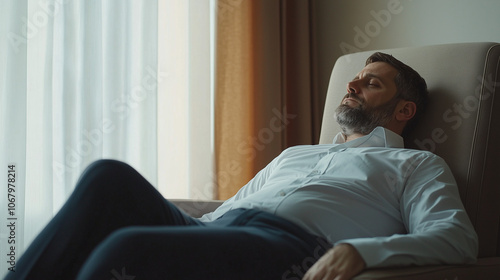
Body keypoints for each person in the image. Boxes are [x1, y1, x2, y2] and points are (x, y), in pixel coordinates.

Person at [4, 52, 477, 280]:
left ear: (404, 110)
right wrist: (182, 225)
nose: (353, 85)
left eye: (371, 83)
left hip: (292, 248)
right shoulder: (297, 154)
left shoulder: (416, 165)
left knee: (126, 248)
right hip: (222, 226)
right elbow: (227, 209)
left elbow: (456, 239)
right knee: (108, 177)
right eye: (355, 78)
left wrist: (364, 252)